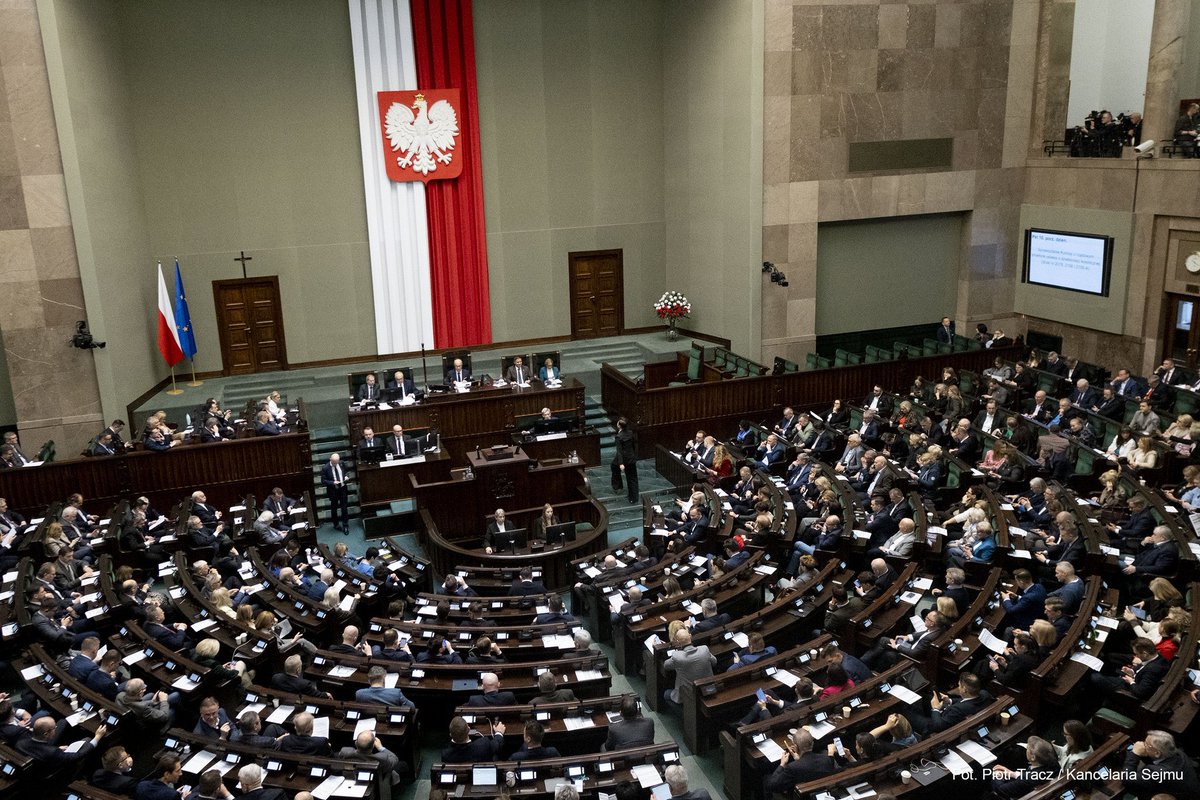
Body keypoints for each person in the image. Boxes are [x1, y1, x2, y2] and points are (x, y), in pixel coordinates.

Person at [1120, 730, 1197, 798]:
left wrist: (1135, 754)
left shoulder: (1157, 772)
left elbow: (1127, 779)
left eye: (1146, 744)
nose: (1142, 744)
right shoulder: (1179, 753)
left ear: (1157, 753)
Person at [764, 729, 835, 795]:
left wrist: (782, 764)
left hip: (800, 795)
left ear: (795, 747)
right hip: (819, 793)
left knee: (766, 778)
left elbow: (772, 786)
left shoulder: (792, 767)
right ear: (812, 743)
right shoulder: (826, 759)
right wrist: (798, 759)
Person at [662, 628, 715, 709]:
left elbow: (666, 665)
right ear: (690, 636)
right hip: (708, 690)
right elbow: (714, 662)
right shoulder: (704, 649)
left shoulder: (677, 656)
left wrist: (677, 652)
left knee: (666, 694)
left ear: (678, 642)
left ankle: (685, 713)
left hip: (690, 694)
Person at [611, 417, 639, 504]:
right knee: (633, 478)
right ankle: (633, 496)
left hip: (624, 459)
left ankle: (632, 497)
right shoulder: (630, 433)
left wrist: (621, 463)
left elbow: (619, 451)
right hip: (631, 457)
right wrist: (634, 456)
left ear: (619, 425)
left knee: (630, 478)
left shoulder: (618, 437)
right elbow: (634, 445)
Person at [321, 452, 350, 532]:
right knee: (334, 508)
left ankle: (345, 524)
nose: (335, 464)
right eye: (334, 462)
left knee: (344, 508)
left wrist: (346, 476)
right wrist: (332, 482)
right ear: (330, 459)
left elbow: (347, 472)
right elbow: (323, 481)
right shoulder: (325, 468)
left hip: (343, 489)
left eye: (336, 462)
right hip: (333, 491)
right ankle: (336, 524)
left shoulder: (342, 463)